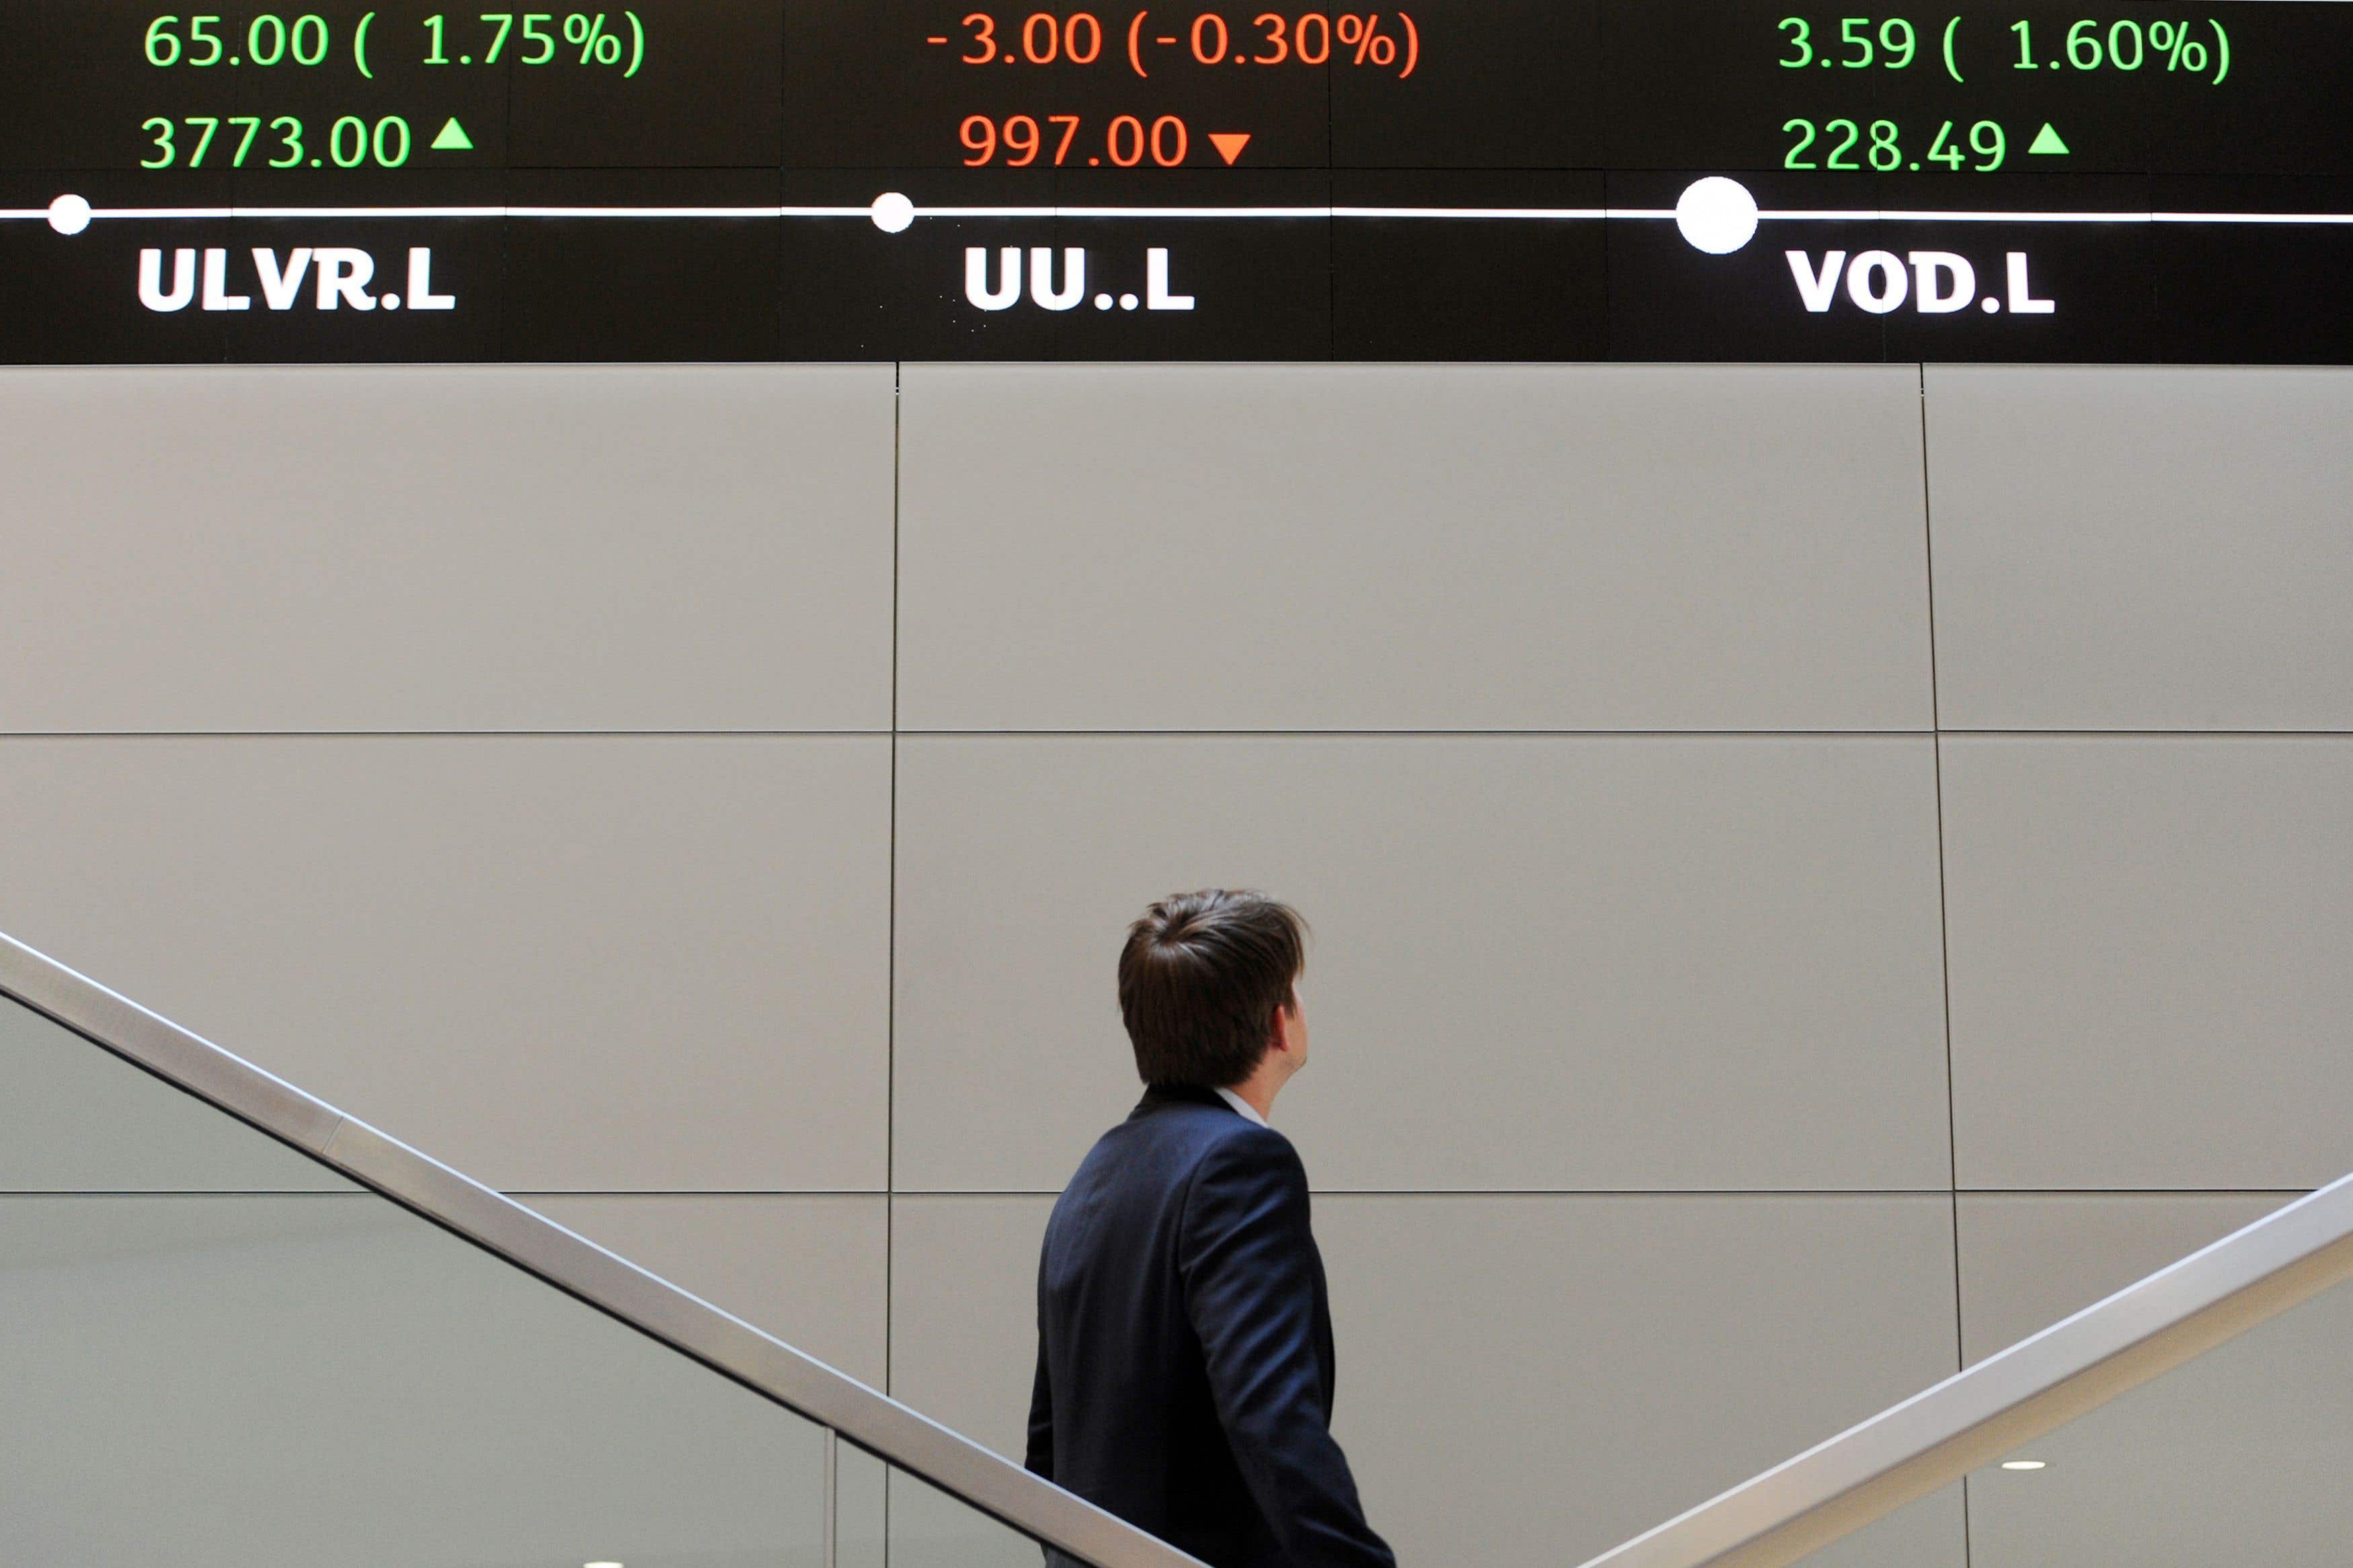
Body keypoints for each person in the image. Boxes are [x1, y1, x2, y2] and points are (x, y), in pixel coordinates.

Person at [1027, 890, 1396, 1568]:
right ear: (1279, 1022)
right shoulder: (1240, 1163)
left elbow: (1049, 1444)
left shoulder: (1094, 1175)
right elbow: (1270, 1414)